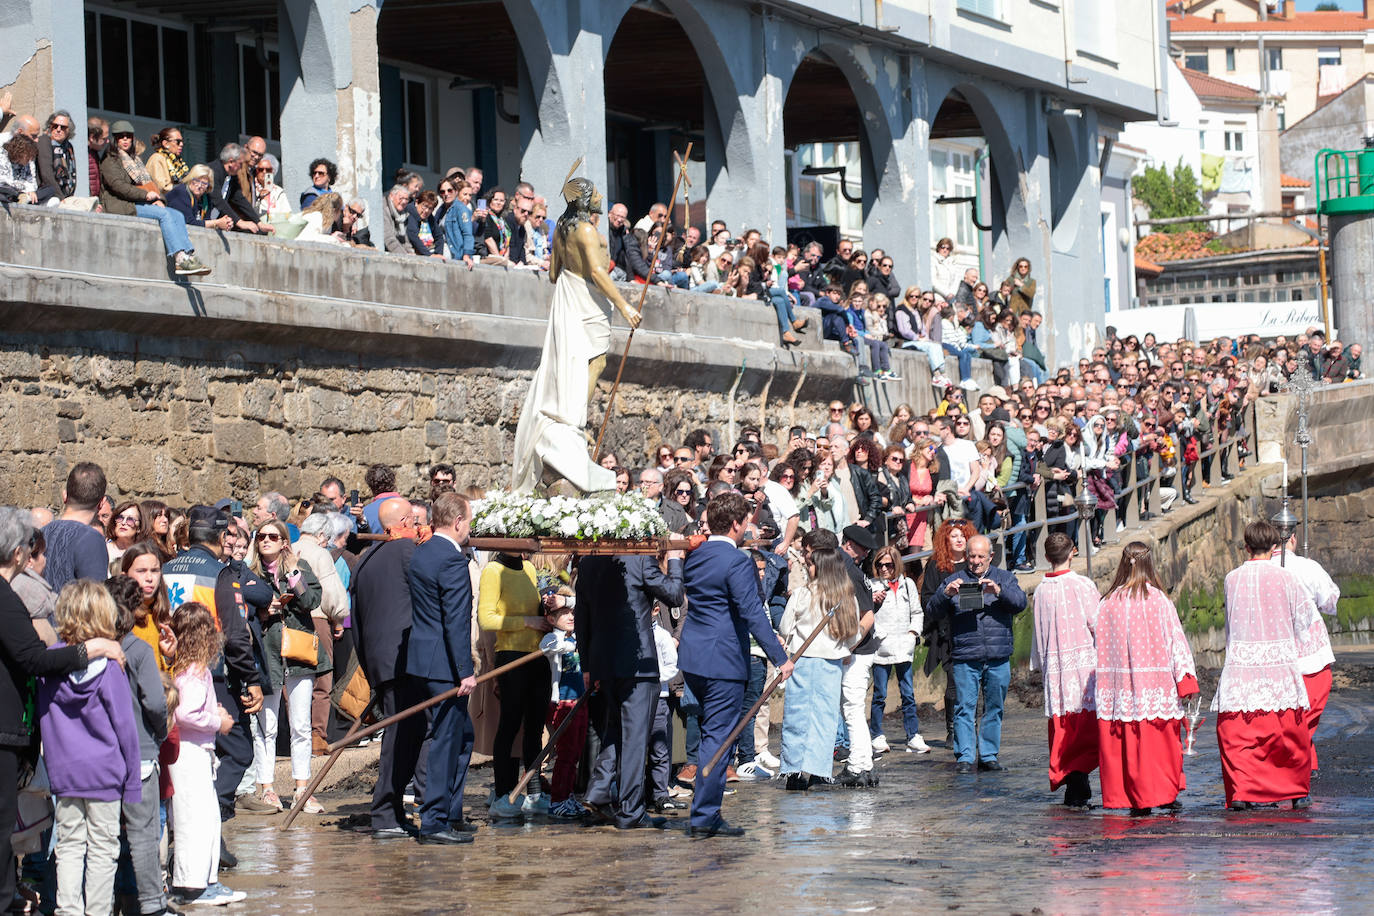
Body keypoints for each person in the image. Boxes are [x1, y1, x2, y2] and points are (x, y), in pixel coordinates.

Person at [0, 507, 128, 914]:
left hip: (64, 770)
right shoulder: (5, 599)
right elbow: (33, 658)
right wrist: (93, 648)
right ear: (20, 554)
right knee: (98, 844)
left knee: (67, 844)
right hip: (96, 767)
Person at [511, 169, 640, 494]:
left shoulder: (561, 230)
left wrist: (571, 268)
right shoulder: (584, 229)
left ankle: (573, 421)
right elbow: (597, 271)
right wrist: (624, 306)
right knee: (594, 361)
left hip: (568, 293)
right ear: (583, 199)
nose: (599, 196)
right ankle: (574, 422)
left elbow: (554, 273)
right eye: (594, 193)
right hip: (587, 298)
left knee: (573, 358)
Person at [678, 492, 792, 836]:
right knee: (719, 738)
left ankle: (705, 812)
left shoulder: (694, 556)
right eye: (745, 523)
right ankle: (704, 816)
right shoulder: (737, 561)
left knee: (712, 734)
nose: (747, 529)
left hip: (695, 656)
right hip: (723, 659)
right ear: (735, 525)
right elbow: (753, 613)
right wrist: (780, 657)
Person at [161, 506, 264, 852]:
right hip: (211, 674)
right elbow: (235, 634)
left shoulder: (165, 568)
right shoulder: (220, 574)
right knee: (238, 751)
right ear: (222, 538)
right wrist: (251, 678)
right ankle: (209, 825)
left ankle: (209, 839)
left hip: (169, 670)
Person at [37, 580, 141, 916]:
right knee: (103, 849)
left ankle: (68, 911)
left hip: (64, 772)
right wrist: (133, 781)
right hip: (105, 773)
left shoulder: (47, 665)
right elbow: (125, 727)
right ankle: (97, 911)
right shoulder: (110, 666)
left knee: (68, 846)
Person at [576, 547, 685, 829]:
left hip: (605, 662)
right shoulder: (639, 558)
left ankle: (599, 791)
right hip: (638, 663)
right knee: (635, 738)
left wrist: (588, 666)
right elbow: (673, 595)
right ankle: (631, 811)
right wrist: (674, 559)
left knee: (617, 731)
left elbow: (582, 617)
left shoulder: (588, 562)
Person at [1213, 521, 1319, 811]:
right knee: (1287, 735)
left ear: (1246, 547)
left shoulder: (1231, 578)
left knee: (1240, 736)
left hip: (1242, 663)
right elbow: (1304, 621)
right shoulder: (1287, 578)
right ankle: (1294, 789)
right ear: (1274, 547)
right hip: (1279, 663)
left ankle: (1243, 790)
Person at [1094, 542, 1198, 815]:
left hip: (1120, 689)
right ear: (1149, 564)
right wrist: (1185, 678)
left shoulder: (1106, 603)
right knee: (1158, 747)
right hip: (1155, 685)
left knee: (1126, 747)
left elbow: (1098, 642)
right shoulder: (1159, 600)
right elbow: (1176, 640)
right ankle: (1161, 794)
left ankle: (1130, 796)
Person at [348, 497, 426, 837]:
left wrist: (368, 664)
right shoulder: (408, 553)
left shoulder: (366, 561)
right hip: (403, 659)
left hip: (380, 662)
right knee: (402, 737)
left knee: (404, 735)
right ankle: (384, 813)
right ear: (407, 521)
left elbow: (359, 620)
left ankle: (391, 810)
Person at [403, 492, 478, 844]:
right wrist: (465, 670)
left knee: (462, 737)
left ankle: (449, 811)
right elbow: (456, 621)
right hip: (444, 664)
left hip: (424, 659)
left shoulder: (424, 552)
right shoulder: (451, 559)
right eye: (470, 521)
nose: (470, 528)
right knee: (446, 741)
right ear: (459, 522)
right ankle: (434, 821)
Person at [925, 534, 1026, 773]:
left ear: (991, 556)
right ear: (966, 556)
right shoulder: (954, 580)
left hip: (997, 654)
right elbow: (931, 611)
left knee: (994, 708)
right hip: (965, 655)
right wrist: (945, 594)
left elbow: (1020, 603)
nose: (976, 561)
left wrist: (999, 591)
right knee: (964, 708)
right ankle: (965, 757)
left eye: (981, 556)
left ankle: (989, 755)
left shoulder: (1005, 578)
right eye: (972, 556)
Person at [167, 601, 246, 906]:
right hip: (190, 754)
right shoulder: (195, 671)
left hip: (195, 752)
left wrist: (212, 710)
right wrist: (218, 721)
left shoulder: (183, 669)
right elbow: (186, 713)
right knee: (194, 820)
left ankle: (205, 880)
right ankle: (193, 886)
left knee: (207, 818)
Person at [246, 518, 325, 814]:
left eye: (273, 536)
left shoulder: (298, 569)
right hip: (267, 653)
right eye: (262, 536)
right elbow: (243, 610)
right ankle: (266, 788)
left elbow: (312, 600)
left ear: (283, 542)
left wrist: (293, 574)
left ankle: (302, 788)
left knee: (301, 725)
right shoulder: (250, 573)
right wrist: (265, 611)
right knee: (266, 725)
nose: (266, 540)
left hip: (298, 653)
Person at [107, 574, 170, 916]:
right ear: (134, 609)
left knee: (103, 836)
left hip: (102, 756)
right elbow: (156, 704)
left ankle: (106, 903)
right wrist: (158, 732)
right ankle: (151, 904)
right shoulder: (139, 650)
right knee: (143, 834)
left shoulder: (94, 647)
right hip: (141, 752)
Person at [478, 548, 552, 819]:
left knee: (534, 729)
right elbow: (487, 618)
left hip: (537, 656)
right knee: (509, 726)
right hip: (510, 657)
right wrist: (527, 622)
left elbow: (536, 611)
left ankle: (533, 792)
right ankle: (502, 794)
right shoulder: (493, 571)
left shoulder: (529, 569)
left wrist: (548, 608)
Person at [779, 547, 860, 789]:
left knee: (797, 716)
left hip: (802, 661)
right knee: (825, 719)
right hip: (831, 663)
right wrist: (842, 650)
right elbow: (853, 633)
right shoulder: (847, 597)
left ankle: (794, 771)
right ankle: (818, 771)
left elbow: (785, 627)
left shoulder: (803, 595)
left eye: (810, 564)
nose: (807, 567)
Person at [1029, 532, 1100, 808]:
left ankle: (1075, 782)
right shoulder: (1082, 584)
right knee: (1085, 728)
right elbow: (1097, 623)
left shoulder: (1040, 590)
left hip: (1056, 667)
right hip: (1083, 666)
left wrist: (1040, 663)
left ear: (1047, 557)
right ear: (1072, 552)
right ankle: (1079, 782)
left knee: (1063, 727)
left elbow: (1038, 631)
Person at [99, 122, 211, 276]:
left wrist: (158, 200)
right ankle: (179, 257)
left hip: (136, 202)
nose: (125, 140)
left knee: (176, 214)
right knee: (164, 214)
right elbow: (119, 187)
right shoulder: (109, 161)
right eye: (120, 137)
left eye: (128, 137)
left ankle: (188, 254)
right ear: (114, 139)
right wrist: (146, 196)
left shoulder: (135, 161)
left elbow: (151, 185)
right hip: (120, 205)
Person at [1269, 532, 1338, 773]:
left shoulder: (1257, 571)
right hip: (1309, 657)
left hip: (1273, 655)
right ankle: (1297, 764)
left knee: (1283, 716)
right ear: (1293, 538)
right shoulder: (1308, 567)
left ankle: (1300, 763)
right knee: (1303, 718)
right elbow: (1330, 601)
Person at [867, 545, 928, 755]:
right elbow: (869, 617)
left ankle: (913, 735)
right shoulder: (871, 586)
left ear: (896, 565)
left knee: (908, 694)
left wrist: (913, 634)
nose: (884, 569)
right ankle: (876, 734)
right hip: (881, 648)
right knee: (880, 694)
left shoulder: (908, 584)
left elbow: (917, 612)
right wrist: (881, 636)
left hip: (904, 646)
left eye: (889, 565)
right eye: (880, 565)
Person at [538, 599, 587, 820]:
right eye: (564, 613)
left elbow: (587, 603)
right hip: (563, 704)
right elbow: (551, 648)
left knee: (576, 753)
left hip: (581, 701)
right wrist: (574, 645)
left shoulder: (578, 637)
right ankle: (557, 800)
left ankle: (567, 796)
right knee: (565, 753)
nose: (571, 616)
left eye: (572, 612)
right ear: (550, 619)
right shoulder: (551, 638)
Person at [43, 462, 112, 592]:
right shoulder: (91, 539)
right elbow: (94, 598)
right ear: (101, 503)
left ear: (64, 496)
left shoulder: (42, 532)